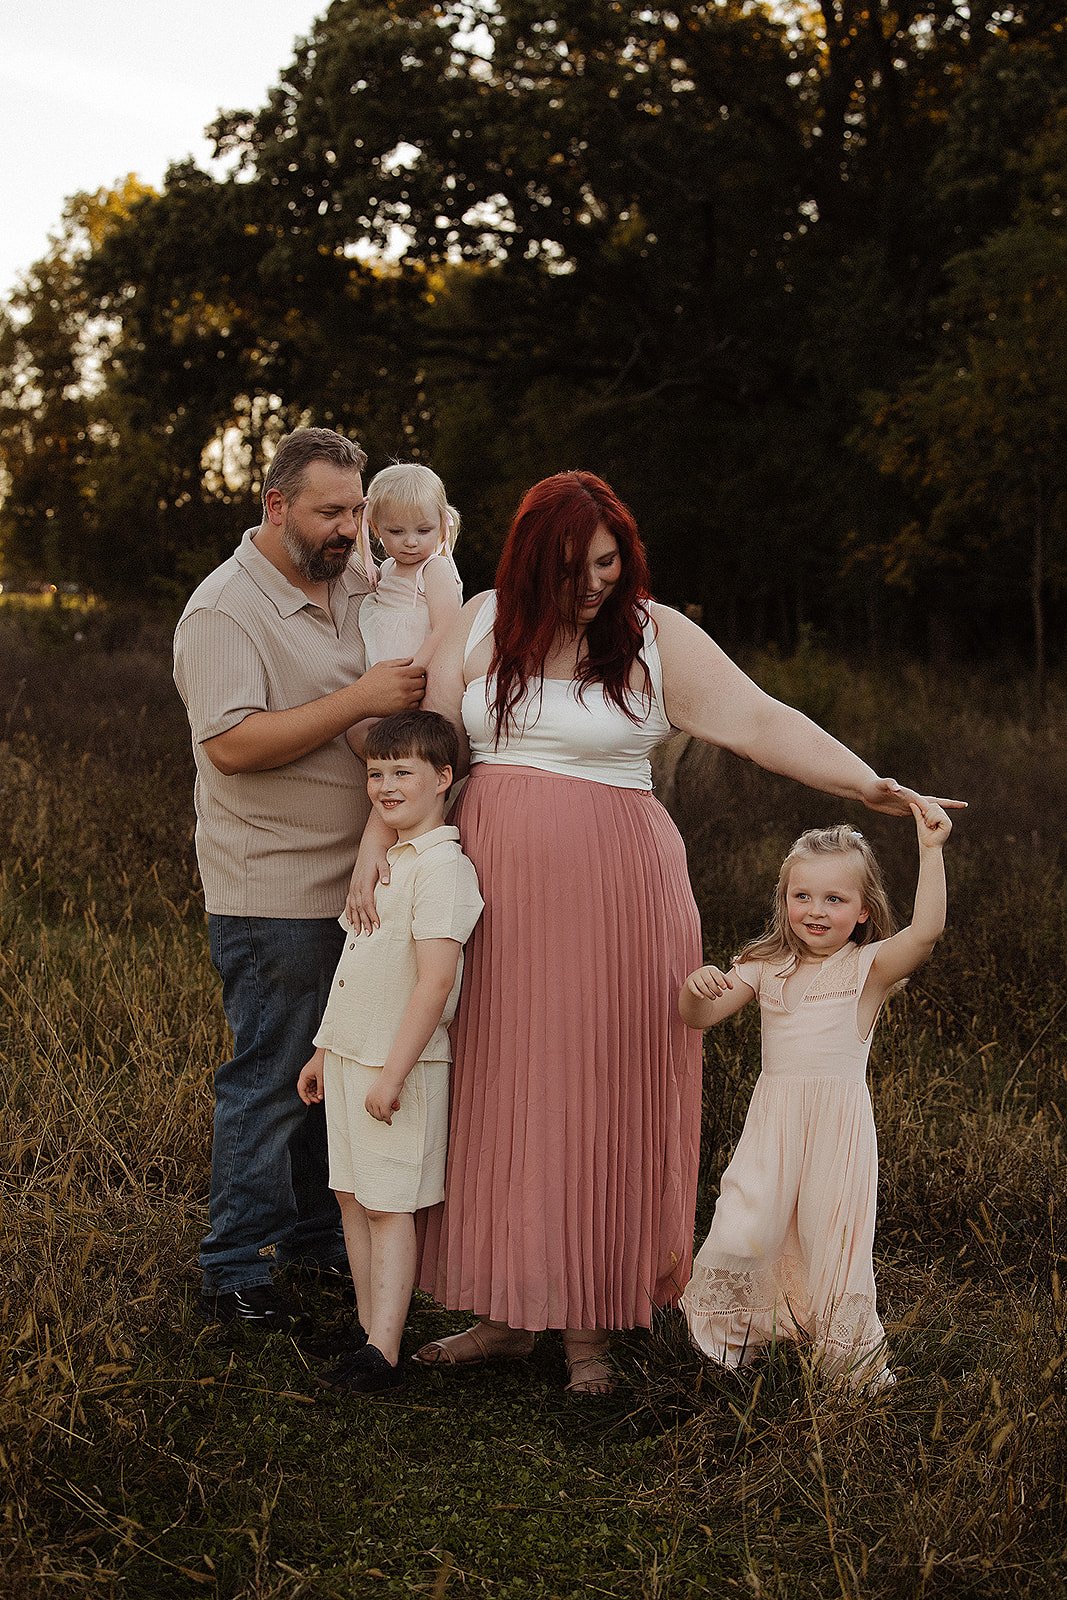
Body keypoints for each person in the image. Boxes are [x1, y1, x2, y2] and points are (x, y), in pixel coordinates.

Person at [346, 469, 964, 1395]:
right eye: (571, 568)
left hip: (618, 897)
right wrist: (371, 848)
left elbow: (760, 720)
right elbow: (423, 746)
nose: (592, 583)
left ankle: (588, 1330)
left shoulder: (652, 632)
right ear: (526, 565)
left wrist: (867, 783)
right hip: (492, 899)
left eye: (606, 562)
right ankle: (506, 1312)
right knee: (496, 1086)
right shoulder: (476, 622)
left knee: (600, 1088)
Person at [173, 426, 426, 1331]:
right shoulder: (223, 612)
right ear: (275, 505)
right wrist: (359, 703)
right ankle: (234, 1270)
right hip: (270, 893)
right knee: (274, 1078)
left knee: (342, 1072)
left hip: (362, 887)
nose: (350, 528)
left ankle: (321, 1238)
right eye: (331, 510)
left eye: (356, 509)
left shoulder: (353, 576)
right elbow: (232, 746)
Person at [678, 806, 951, 1388]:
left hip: (838, 1133)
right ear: (785, 903)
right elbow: (699, 1017)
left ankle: (845, 1368)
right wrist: (694, 988)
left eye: (835, 899)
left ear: (863, 912)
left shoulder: (867, 970)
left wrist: (931, 852)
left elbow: (925, 933)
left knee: (831, 1241)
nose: (816, 911)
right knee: (743, 1223)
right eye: (802, 896)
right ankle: (728, 1349)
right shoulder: (763, 965)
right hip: (773, 1127)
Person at [296, 711, 483, 1392]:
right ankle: (365, 1328)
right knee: (350, 1194)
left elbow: (435, 983)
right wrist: (323, 1050)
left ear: (442, 779)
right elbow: (357, 966)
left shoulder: (444, 870)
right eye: (376, 773)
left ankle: (384, 1348)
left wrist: (393, 1074)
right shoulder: (387, 860)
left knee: (387, 1205)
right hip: (349, 1054)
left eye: (401, 772)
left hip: (395, 1065)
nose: (385, 785)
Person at [356, 463, 464, 672]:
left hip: (420, 672)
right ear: (376, 528)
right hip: (384, 678)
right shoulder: (386, 568)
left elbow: (447, 627)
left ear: (441, 525)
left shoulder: (434, 569)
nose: (411, 541)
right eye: (397, 531)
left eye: (423, 531)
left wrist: (414, 670)